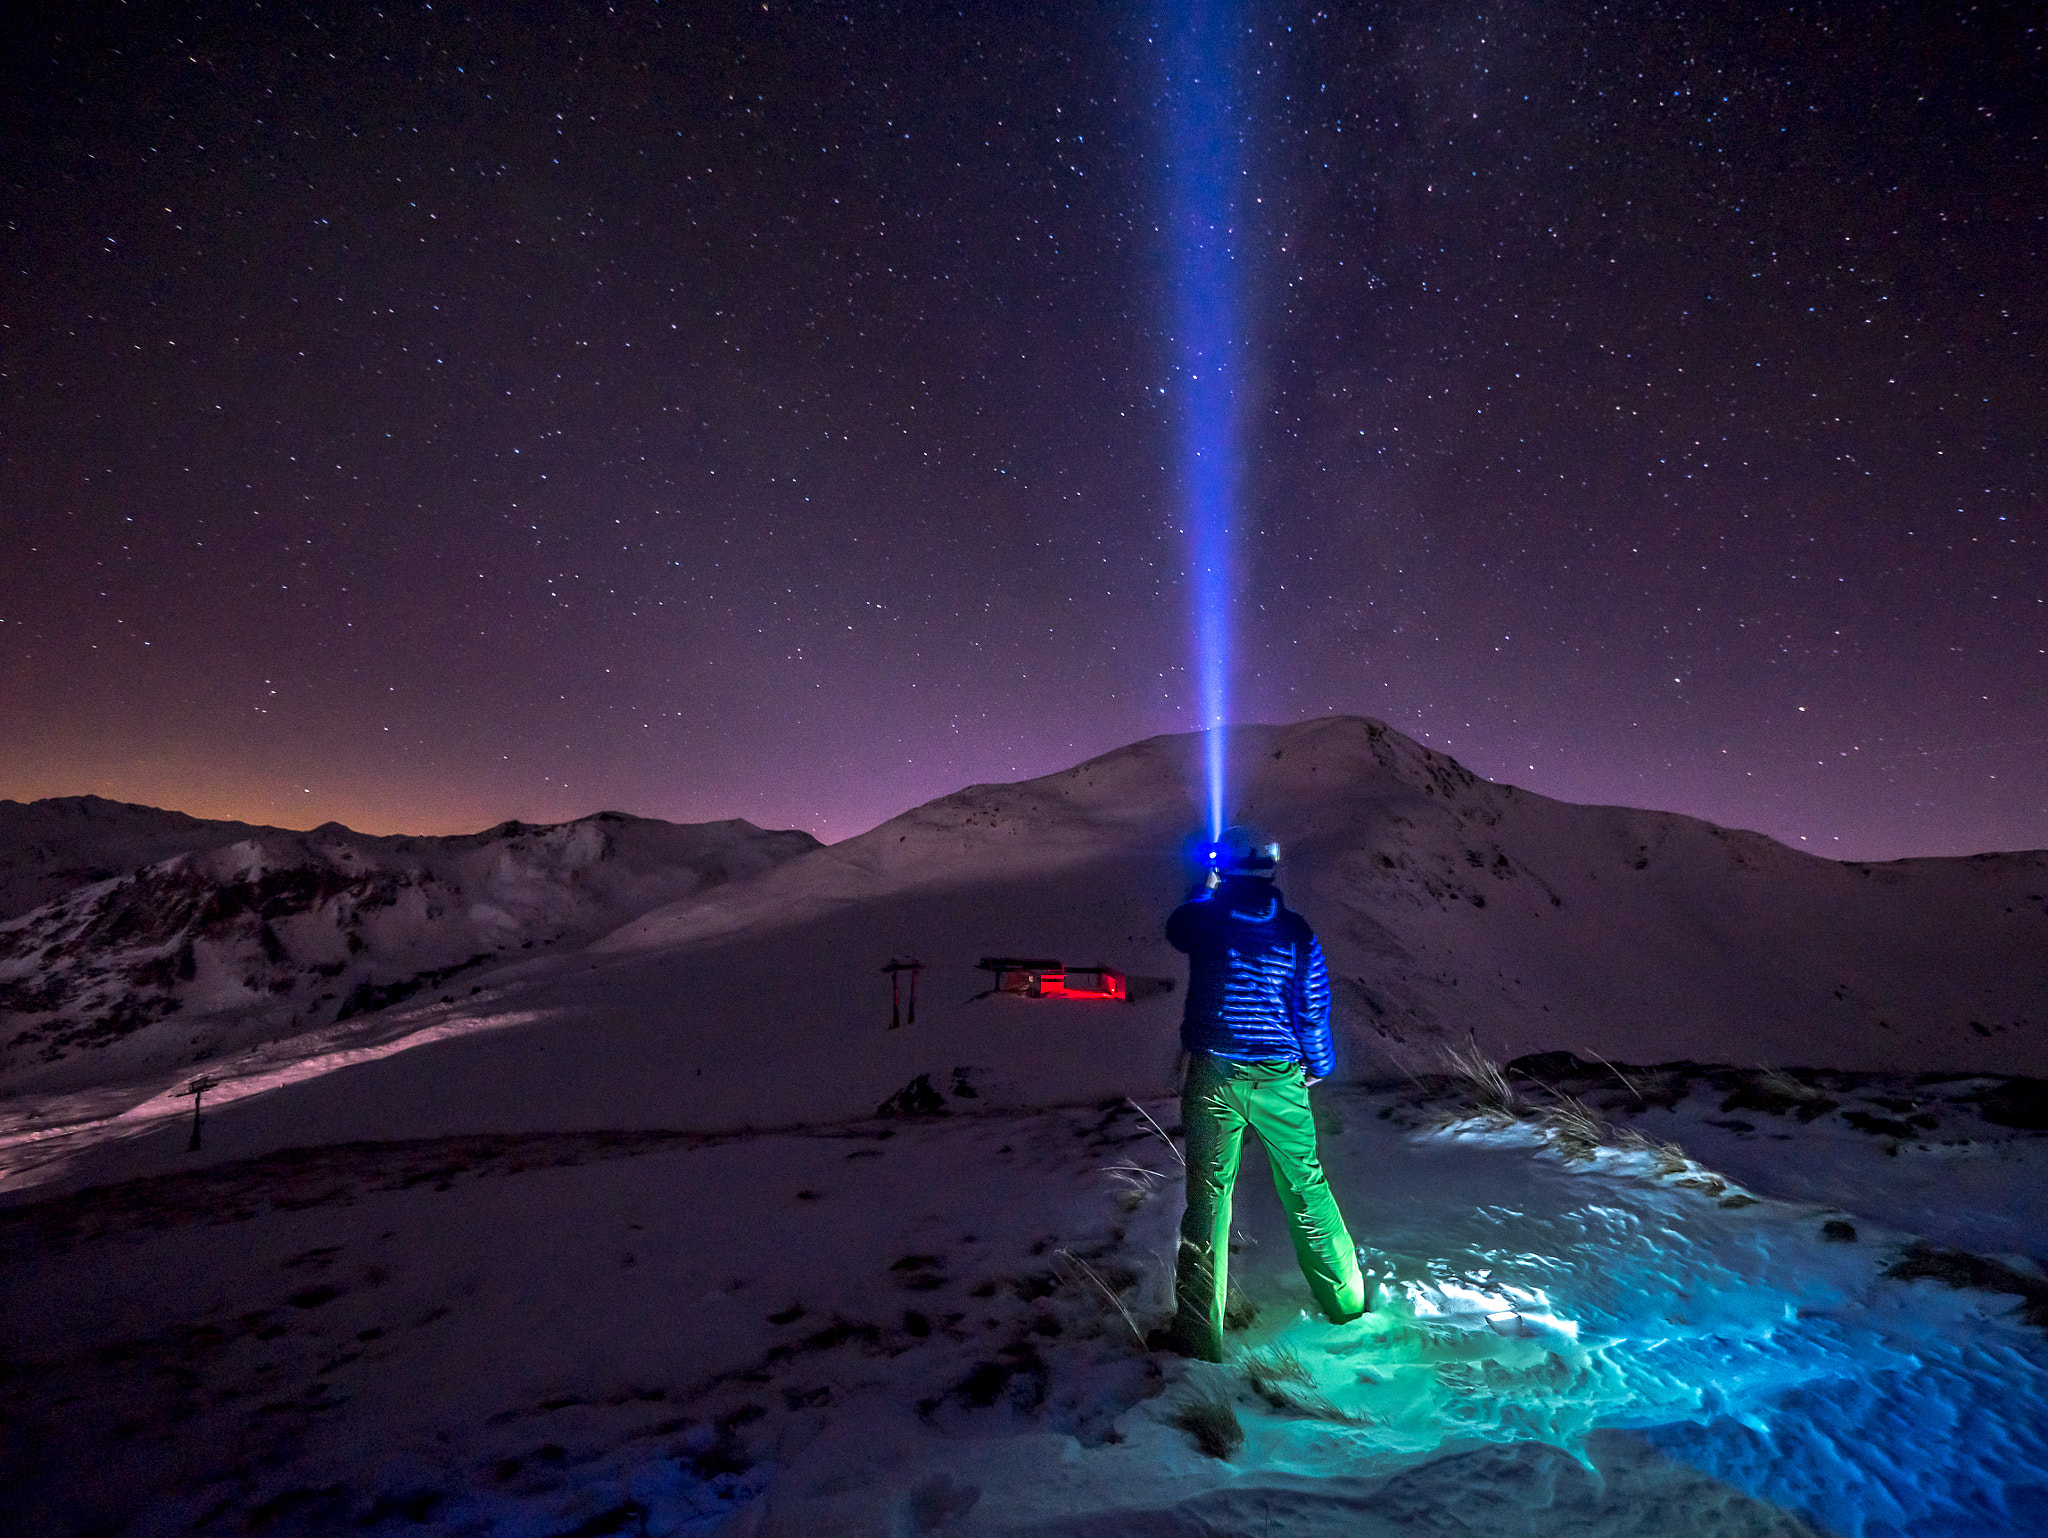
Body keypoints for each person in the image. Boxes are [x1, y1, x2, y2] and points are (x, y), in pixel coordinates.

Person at [1151, 825, 1367, 1361]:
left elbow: (1176, 928)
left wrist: (1205, 886)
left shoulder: (1205, 918)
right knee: (1307, 1188)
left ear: (1224, 867)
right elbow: (1312, 1007)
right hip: (1281, 1077)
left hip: (1215, 1074)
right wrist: (1316, 1067)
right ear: (1271, 870)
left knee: (1208, 1199)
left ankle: (1198, 1335)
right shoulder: (1297, 932)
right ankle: (1347, 1304)